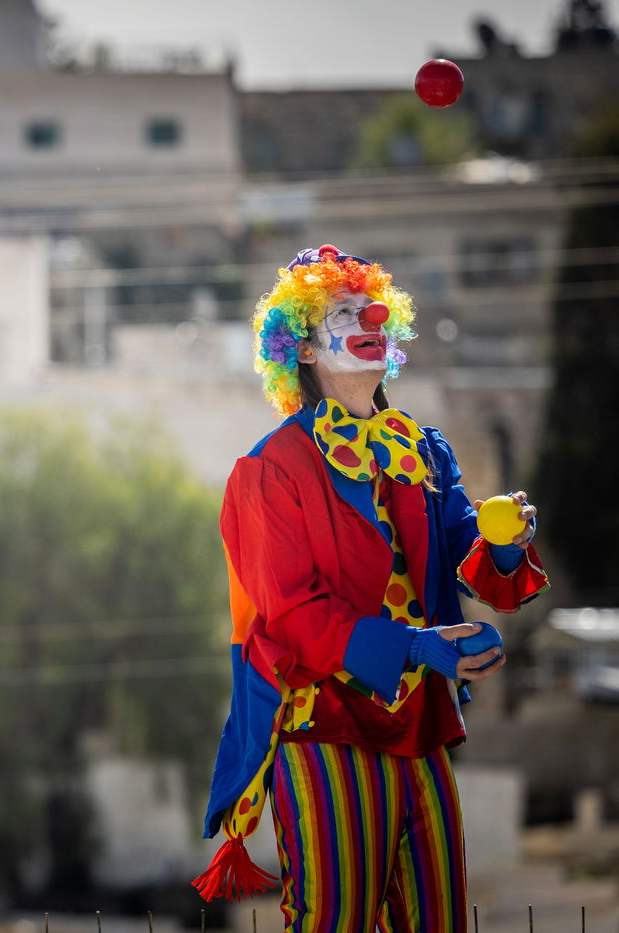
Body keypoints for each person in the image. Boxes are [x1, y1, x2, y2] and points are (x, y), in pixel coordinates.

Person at [193, 246, 550, 930]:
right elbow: (295, 616)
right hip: (323, 725)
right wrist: (417, 648)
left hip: (418, 729)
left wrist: (503, 547)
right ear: (298, 346)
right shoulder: (270, 471)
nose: (373, 318)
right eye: (345, 311)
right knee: (337, 918)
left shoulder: (423, 448)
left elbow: (466, 558)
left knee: (439, 917)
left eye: (375, 308)